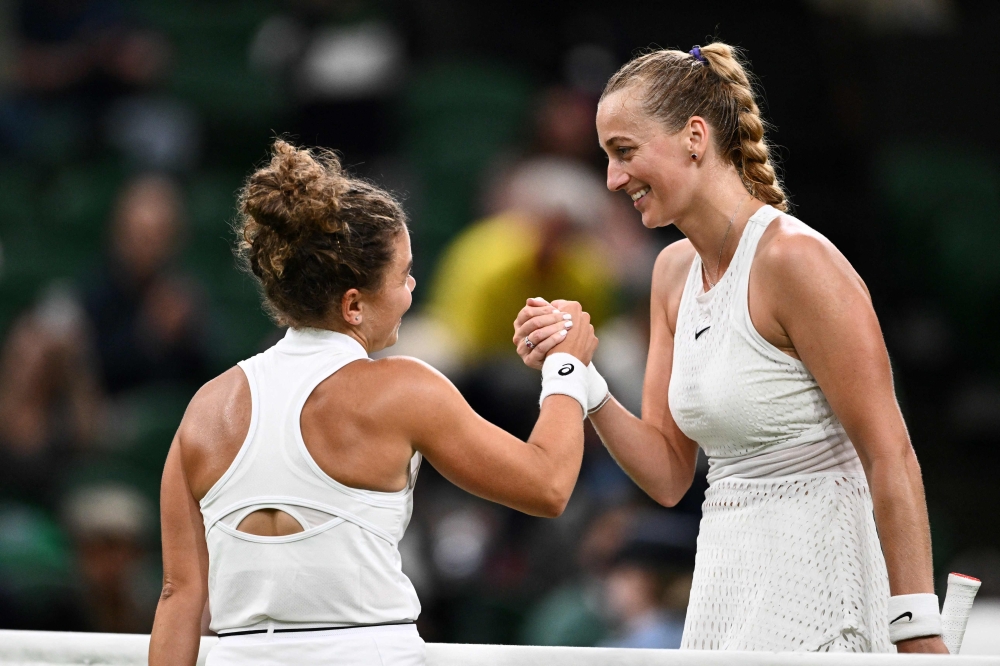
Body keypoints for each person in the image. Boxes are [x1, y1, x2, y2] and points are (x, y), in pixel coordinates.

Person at [513, 43, 948, 653]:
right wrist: (585, 382)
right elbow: (668, 473)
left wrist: (916, 623)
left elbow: (890, 454)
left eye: (625, 152)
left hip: (825, 583)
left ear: (695, 136)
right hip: (724, 585)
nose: (612, 179)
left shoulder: (796, 261)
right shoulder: (670, 274)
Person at [148, 140, 597, 666]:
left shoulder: (206, 407)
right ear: (354, 305)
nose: (411, 287)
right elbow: (547, 485)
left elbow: (179, 598)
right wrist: (568, 368)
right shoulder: (404, 389)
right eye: (402, 273)